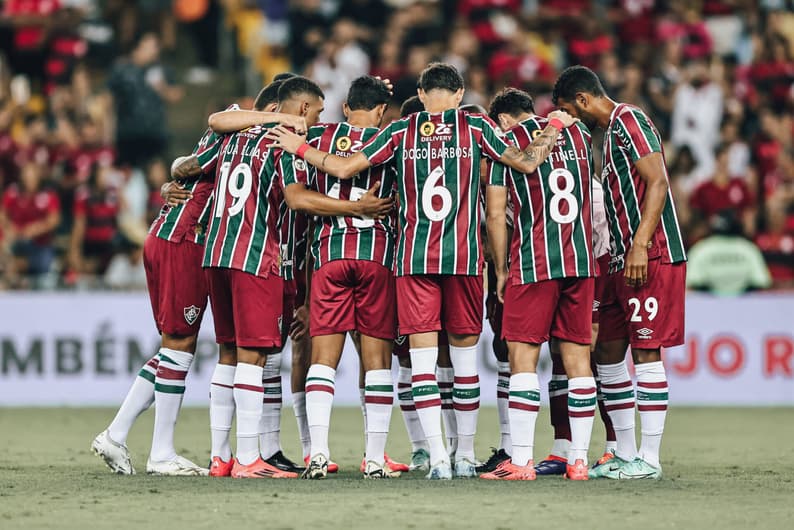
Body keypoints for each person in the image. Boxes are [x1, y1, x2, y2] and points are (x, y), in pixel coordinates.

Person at [266, 62, 579, 479]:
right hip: (464, 261)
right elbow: (524, 164)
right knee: (465, 365)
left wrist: (300, 148)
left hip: (412, 261)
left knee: (423, 364)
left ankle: (437, 459)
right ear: (459, 93)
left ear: (421, 91)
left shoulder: (399, 132)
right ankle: (464, 456)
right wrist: (553, 128)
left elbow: (342, 169)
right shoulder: (477, 127)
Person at [90, 80, 309, 477]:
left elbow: (185, 165)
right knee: (179, 347)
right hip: (186, 239)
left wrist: (175, 177)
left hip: (179, 237)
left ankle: (119, 434)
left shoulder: (234, 141)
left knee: (176, 347)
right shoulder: (241, 130)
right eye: (303, 112)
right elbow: (216, 124)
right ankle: (159, 452)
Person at [201, 75, 391, 479]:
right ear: (303, 109)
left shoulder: (238, 134)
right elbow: (297, 197)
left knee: (229, 354)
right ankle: (253, 458)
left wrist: (173, 175)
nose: (316, 118)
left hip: (217, 251)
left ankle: (223, 455)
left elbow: (214, 123)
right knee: (255, 357)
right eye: (315, 111)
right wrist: (357, 210)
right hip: (260, 255)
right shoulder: (288, 139)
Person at [553, 65, 687, 480]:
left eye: (566, 111)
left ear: (582, 100)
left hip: (651, 253)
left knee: (647, 352)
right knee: (608, 352)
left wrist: (641, 245)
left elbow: (658, 183)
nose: (569, 120)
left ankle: (649, 459)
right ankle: (624, 453)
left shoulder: (629, 119)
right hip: (619, 259)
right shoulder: (607, 136)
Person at [480, 88, 596, 481]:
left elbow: (496, 216)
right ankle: (578, 461)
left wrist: (499, 270)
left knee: (522, 360)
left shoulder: (505, 142)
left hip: (534, 262)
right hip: (580, 261)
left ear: (504, 120)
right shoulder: (578, 134)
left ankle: (521, 461)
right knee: (579, 361)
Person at [687, 211, 771, 296]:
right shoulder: (748, 248)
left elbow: (692, 284)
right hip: (744, 306)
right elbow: (761, 283)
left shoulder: (701, 248)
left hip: (707, 306)